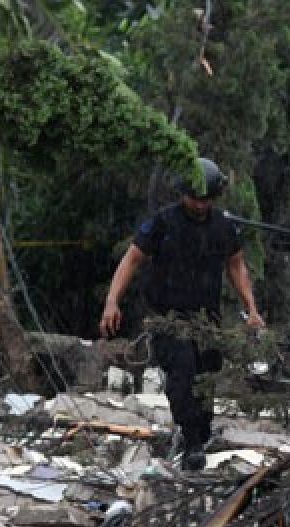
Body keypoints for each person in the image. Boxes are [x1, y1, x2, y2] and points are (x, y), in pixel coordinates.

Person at [99, 157, 265, 471]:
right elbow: (132, 259)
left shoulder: (223, 226)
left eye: (206, 199)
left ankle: (198, 435)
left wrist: (252, 310)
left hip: (207, 319)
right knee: (183, 372)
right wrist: (112, 301)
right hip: (168, 317)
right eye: (194, 198)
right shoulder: (163, 222)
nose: (200, 205)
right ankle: (191, 443)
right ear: (182, 193)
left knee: (206, 376)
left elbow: (236, 265)